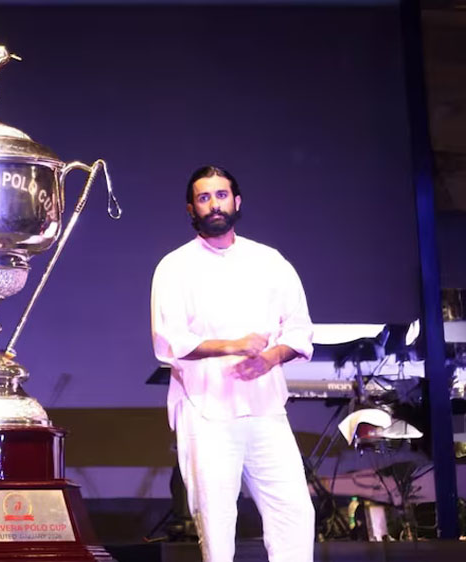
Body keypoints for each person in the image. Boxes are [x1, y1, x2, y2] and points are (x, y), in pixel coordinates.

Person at [150, 165, 315, 562]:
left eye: (221, 195)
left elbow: (299, 329)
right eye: (204, 198)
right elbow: (170, 342)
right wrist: (232, 346)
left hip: (265, 407)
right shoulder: (174, 267)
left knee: (294, 513)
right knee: (216, 521)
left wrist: (271, 358)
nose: (214, 205)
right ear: (191, 209)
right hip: (206, 410)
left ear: (237, 202)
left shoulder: (269, 260)